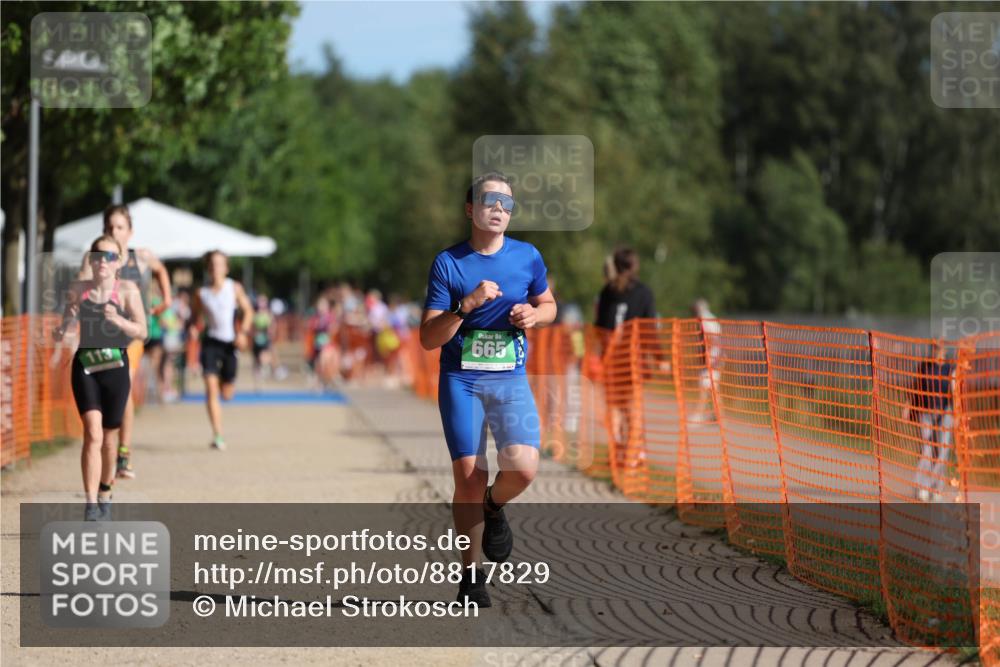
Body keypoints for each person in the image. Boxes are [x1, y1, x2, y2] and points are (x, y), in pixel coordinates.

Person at [420, 172, 557, 608]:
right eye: (491, 200)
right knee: (469, 475)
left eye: (508, 203)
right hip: (461, 379)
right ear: (470, 209)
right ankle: (471, 575)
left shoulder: (527, 256)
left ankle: (494, 507)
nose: (500, 209)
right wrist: (467, 305)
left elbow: (548, 303)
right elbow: (427, 337)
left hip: (508, 379)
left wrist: (536, 316)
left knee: (524, 467)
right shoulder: (449, 263)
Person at [54, 235, 147, 520]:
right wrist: (67, 321)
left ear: (118, 263)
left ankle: (106, 490)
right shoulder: (78, 289)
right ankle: (91, 503)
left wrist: (119, 320)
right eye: (96, 256)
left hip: (115, 368)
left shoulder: (127, 290)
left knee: (108, 438)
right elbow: (61, 333)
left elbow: (143, 332)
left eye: (108, 256)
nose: (101, 261)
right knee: (92, 433)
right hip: (85, 367)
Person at [78, 204, 172, 480]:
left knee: (126, 386)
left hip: (131, 333)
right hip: (100, 335)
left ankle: (123, 452)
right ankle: (109, 444)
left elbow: (161, 271)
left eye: (119, 227)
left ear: (130, 232)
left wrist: (165, 299)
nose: (114, 232)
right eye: (109, 227)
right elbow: (80, 287)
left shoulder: (140, 258)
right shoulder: (95, 258)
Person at [594, 247, 656, 467]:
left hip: (611, 359)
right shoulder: (643, 292)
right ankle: (632, 454)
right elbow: (649, 330)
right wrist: (659, 357)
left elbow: (598, 327)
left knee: (615, 407)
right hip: (632, 359)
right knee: (632, 407)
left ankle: (618, 450)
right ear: (634, 266)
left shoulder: (607, 291)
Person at [189, 250, 253, 450]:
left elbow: (248, 311)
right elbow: (196, 317)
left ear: (226, 268)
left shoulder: (234, 288)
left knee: (227, 393)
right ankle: (218, 434)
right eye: (213, 264)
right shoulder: (202, 293)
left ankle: (227, 387)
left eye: (220, 264)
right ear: (208, 268)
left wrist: (242, 332)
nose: (216, 268)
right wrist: (193, 328)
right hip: (210, 343)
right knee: (210, 389)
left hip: (230, 344)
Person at [904, 340, 956, 503]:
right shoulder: (924, 366)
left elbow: (955, 392)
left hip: (945, 413)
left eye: (939, 348)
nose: (936, 351)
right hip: (926, 412)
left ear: (944, 350)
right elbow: (915, 387)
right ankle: (921, 486)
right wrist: (908, 406)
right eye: (934, 348)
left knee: (942, 453)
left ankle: (936, 488)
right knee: (927, 451)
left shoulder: (950, 368)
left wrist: (957, 414)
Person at [690, 298, 721, 423]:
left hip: (711, 358)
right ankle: (719, 415)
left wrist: (708, 354)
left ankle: (699, 414)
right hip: (715, 357)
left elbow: (711, 338)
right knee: (713, 389)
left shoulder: (705, 320)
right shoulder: (711, 319)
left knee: (704, 387)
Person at [251, 293, 278, 385]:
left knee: (264, 356)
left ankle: (267, 368)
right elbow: (251, 327)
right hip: (256, 340)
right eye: (260, 301)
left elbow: (273, 326)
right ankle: (258, 381)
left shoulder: (269, 314)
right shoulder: (254, 314)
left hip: (265, 339)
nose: (261, 303)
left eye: (263, 301)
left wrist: (270, 333)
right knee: (256, 360)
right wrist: (253, 333)